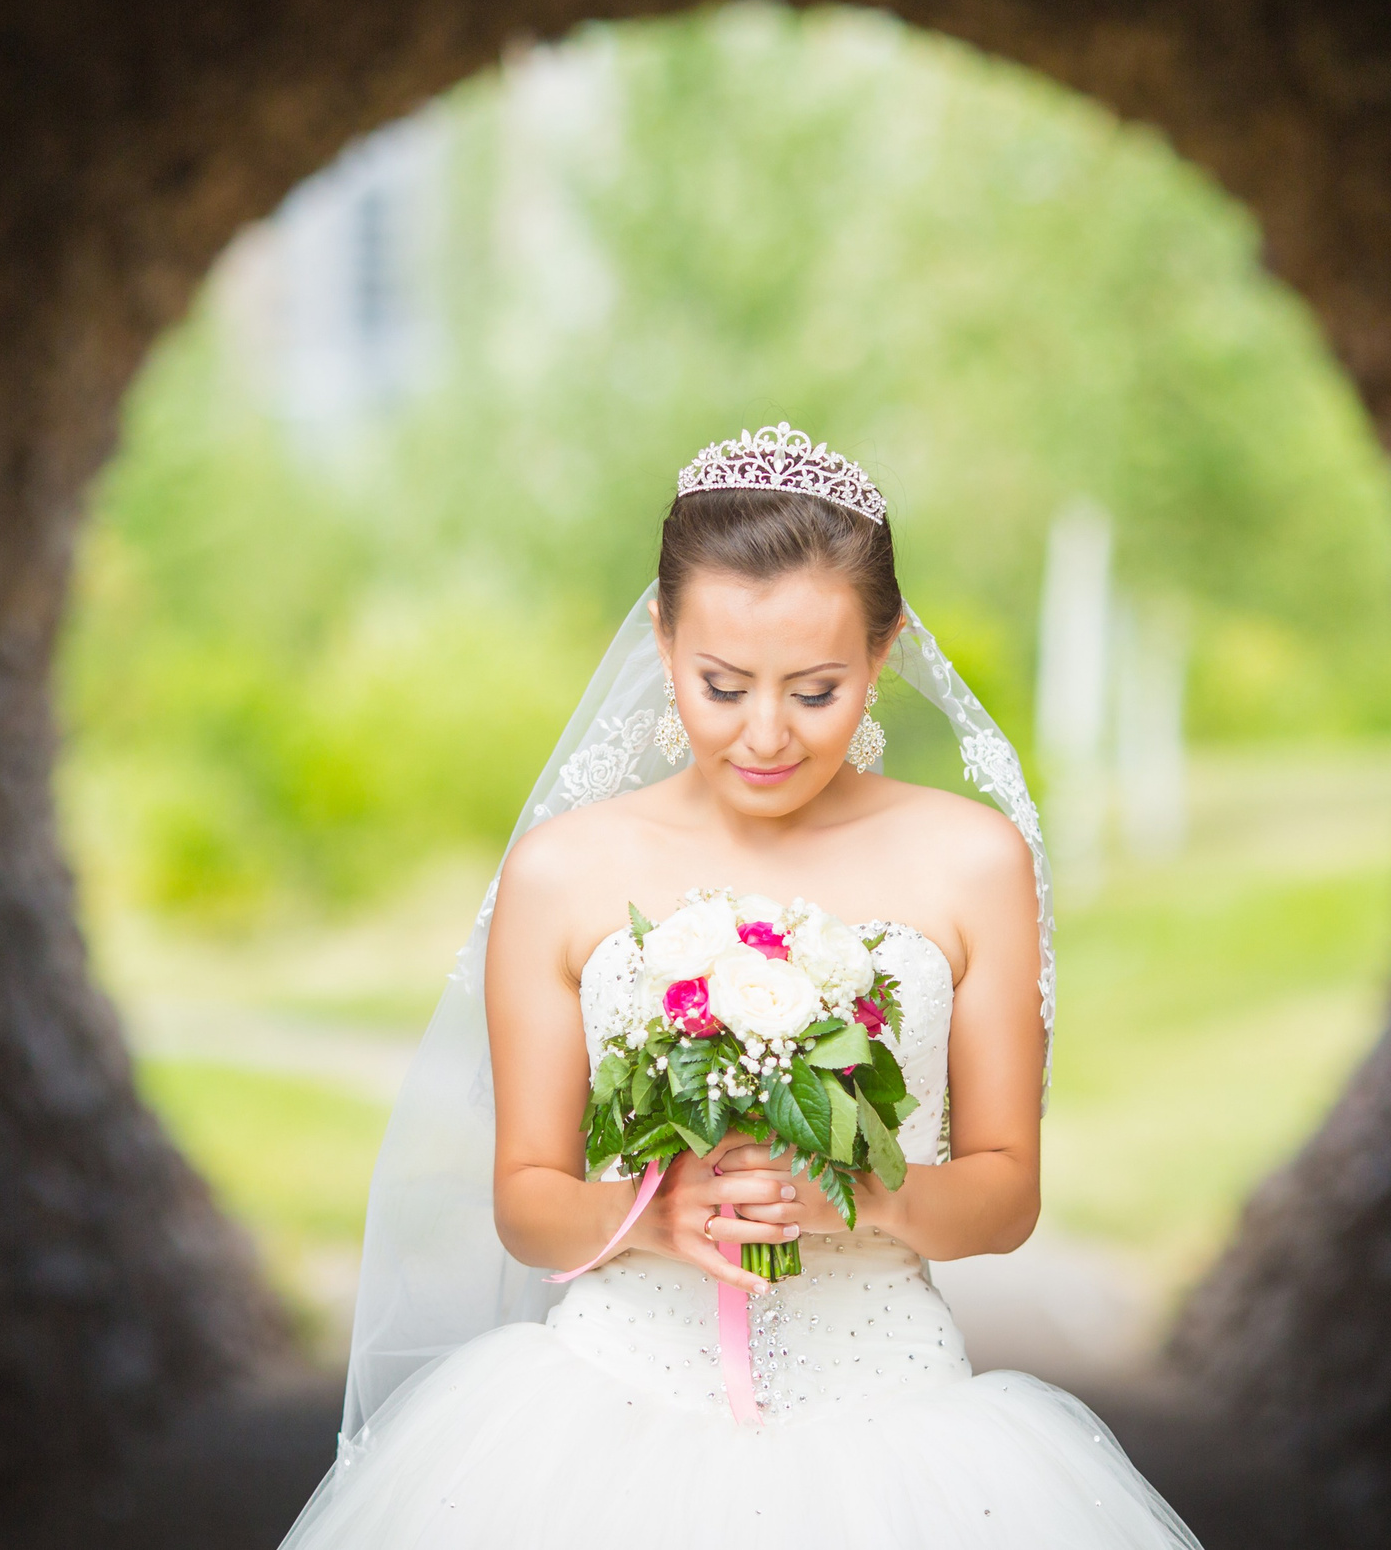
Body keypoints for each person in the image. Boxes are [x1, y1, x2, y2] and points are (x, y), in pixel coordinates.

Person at [277, 425, 1203, 1547]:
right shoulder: (566, 869)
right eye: (722, 685)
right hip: (609, 1412)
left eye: (816, 689)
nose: (765, 733)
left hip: (892, 1414)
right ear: (663, 639)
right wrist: (653, 1212)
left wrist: (860, 1193)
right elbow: (526, 1196)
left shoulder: (970, 860)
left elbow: (1006, 1192)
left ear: (885, 648)